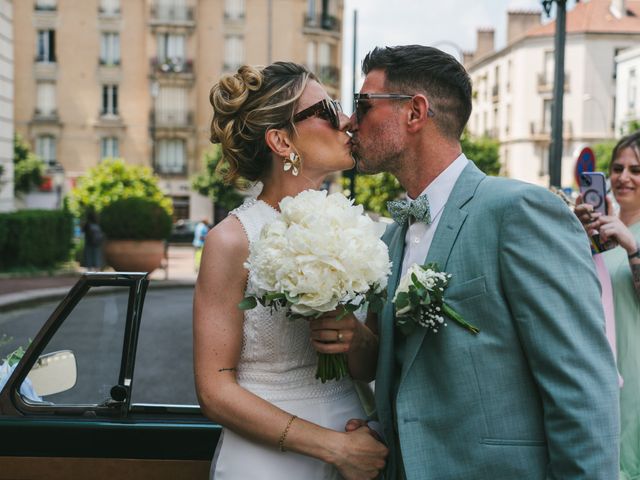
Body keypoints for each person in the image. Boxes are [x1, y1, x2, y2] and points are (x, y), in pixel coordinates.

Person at [313, 45, 620, 479]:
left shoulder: (519, 212)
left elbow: (582, 388)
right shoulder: (391, 236)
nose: (349, 121)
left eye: (363, 105)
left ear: (415, 112)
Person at [192, 62, 388, 480]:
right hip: (271, 458)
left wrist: (352, 336)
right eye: (329, 110)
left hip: (356, 437)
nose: (350, 122)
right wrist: (333, 448)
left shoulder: (356, 227)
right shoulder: (232, 240)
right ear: (281, 140)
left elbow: (370, 367)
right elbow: (214, 390)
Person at [574, 131, 640, 480]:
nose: (624, 177)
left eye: (636, 169)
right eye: (617, 168)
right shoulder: (601, 230)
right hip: (597, 368)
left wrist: (632, 247)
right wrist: (578, 236)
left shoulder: (628, 238)